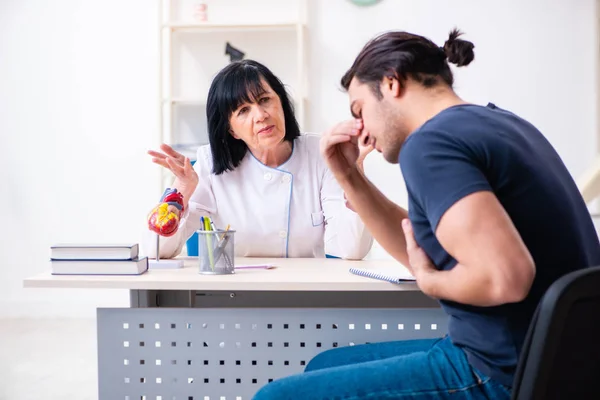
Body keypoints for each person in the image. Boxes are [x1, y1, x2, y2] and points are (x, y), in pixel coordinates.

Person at [252, 29, 600, 399]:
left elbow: (505, 278)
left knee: (275, 397)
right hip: (559, 362)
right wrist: (347, 175)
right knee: (324, 366)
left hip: (500, 371)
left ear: (391, 83)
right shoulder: (500, 124)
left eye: (360, 110)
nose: (362, 129)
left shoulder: (432, 143)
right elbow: (422, 248)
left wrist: (429, 281)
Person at [143, 60, 373, 260]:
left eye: (264, 100)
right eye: (243, 110)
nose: (261, 115)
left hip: (305, 293)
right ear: (231, 130)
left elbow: (352, 249)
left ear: (281, 102)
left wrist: (355, 170)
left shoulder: (321, 153)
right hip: (237, 295)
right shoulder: (211, 163)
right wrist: (180, 191)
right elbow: (155, 250)